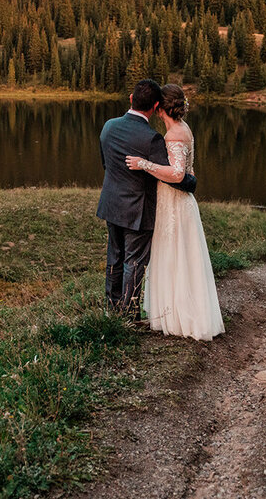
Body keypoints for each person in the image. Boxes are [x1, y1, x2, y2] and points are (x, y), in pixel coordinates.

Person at [125, 84, 223, 340]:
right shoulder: (183, 128)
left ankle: (180, 318)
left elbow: (178, 174)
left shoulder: (174, 135)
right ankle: (177, 312)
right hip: (179, 201)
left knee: (175, 255)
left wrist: (143, 164)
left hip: (175, 202)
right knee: (181, 257)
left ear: (161, 109)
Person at [96, 79, 197, 321]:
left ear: (130, 98)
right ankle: (129, 315)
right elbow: (172, 176)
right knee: (134, 261)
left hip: (112, 204)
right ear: (154, 107)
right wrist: (192, 182)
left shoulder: (108, 126)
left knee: (115, 257)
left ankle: (112, 309)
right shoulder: (152, 139)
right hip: (138, 210)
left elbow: (105, 164)